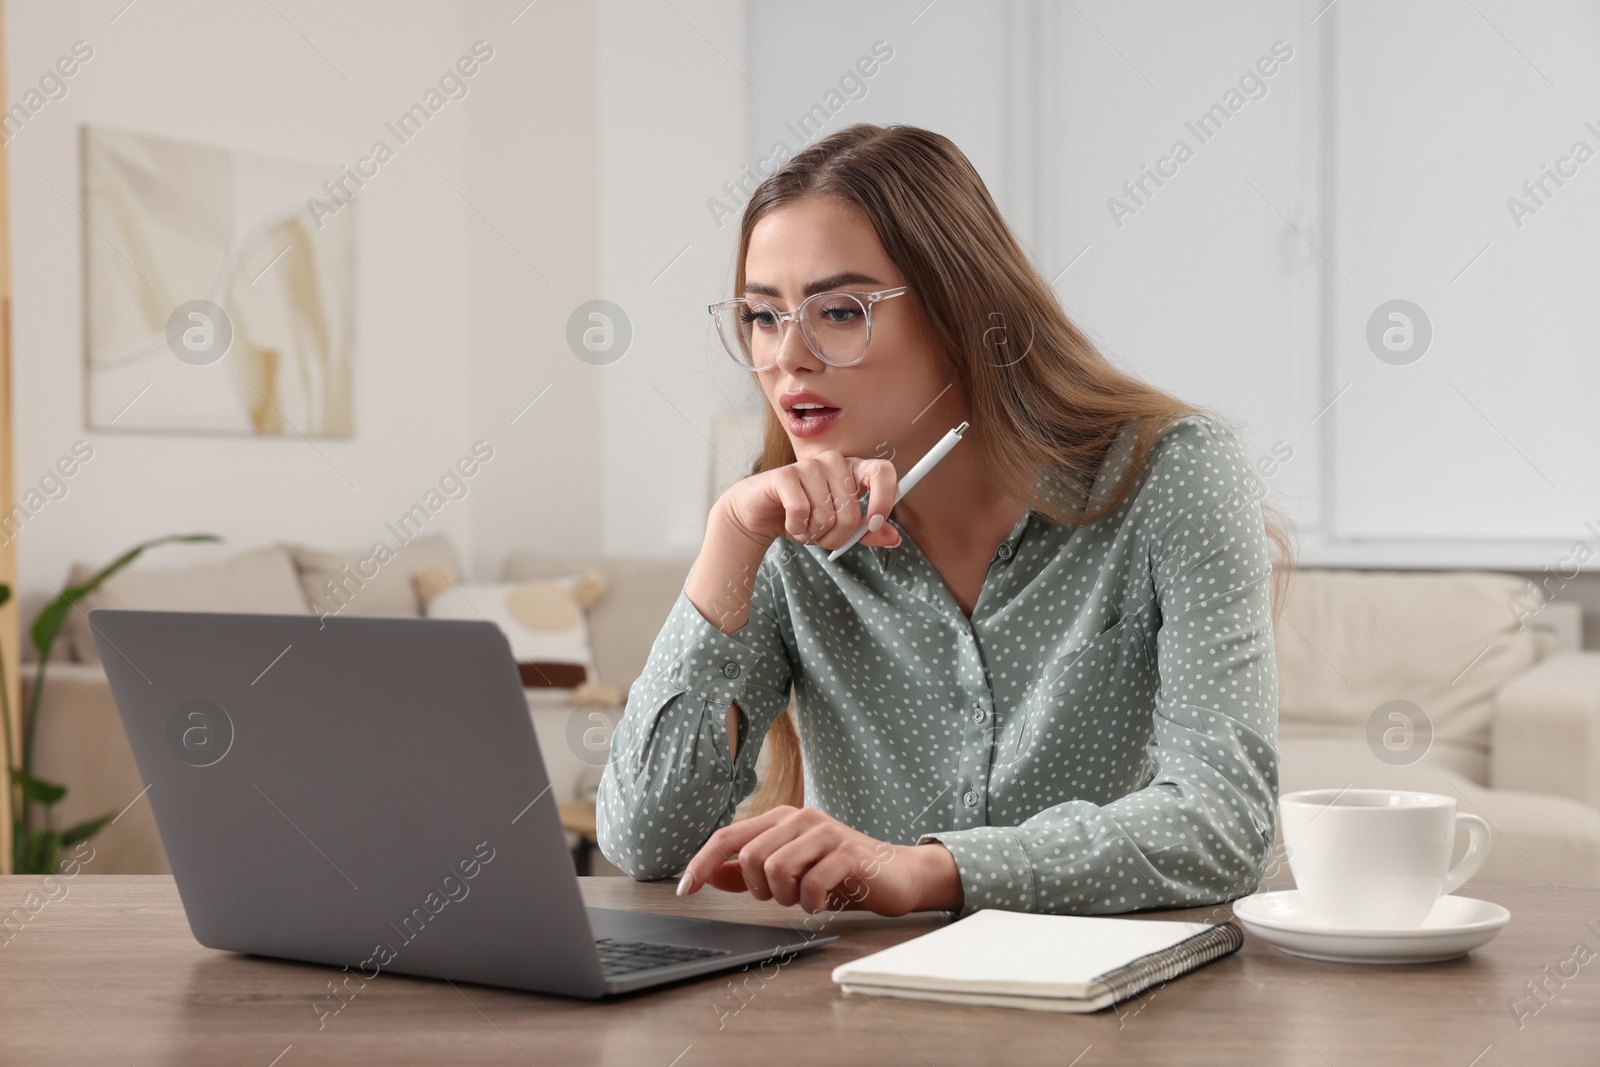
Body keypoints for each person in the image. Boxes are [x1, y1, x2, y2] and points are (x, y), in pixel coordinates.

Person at [595, 122, 1294, 920]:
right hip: (858, 1007)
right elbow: (644, 840)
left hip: (1119, 1005)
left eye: (840, 310)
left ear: (964, 315)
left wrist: (931, 869)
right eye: (761, 315)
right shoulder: (778, 531)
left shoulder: (1172, 474)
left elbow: (1224, 821)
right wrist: (728, 541)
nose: (786, 356)